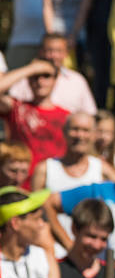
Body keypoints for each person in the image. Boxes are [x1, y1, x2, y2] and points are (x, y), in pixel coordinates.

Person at [0, 58, 70, 187]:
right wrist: (30, 69)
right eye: (35, 77)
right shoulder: (17, 108)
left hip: (54, 187)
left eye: (46, 76)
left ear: (56, 79)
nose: (40, 81)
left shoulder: (67, 116)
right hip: (20, 186)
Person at [8, 33, 97, 115]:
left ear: (66, 53)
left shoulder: (77, 81)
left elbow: (90, 113)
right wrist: (30, 69)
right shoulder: (26, 79)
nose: (53, 55)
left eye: (58, 51)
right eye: (49, 50)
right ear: (41, 51)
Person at [31, 112, 115, 192]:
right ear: (64, 131)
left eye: (86, 130)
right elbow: (34, 207)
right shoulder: (45, 169)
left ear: (94, 134)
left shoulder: (103, 170)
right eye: (75, 129)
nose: (80, 135)